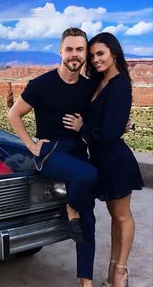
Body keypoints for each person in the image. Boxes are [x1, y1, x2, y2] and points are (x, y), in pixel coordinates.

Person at [8, 27, 99, 287]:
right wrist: (31, 144)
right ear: (60, 51)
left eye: (79, 49)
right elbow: (13, 115)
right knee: (90, 175)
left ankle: (86, 281)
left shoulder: (89, 87)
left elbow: (98, 119)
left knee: (88, 216)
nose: (74, 54)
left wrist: (86, 126)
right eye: (69, 49)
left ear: (85, 54)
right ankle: (70, 208)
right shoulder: (41, 84)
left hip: (77, 151)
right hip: (51, 151)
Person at [63, 32, 144, 287]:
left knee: (122, 217)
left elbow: (108, 133)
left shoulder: (119, 84)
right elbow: (110, 121)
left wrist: (82, 128)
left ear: (114, 53)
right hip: (101, 160)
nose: (96, 59)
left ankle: (120, 274)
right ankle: (112, 270)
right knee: (114, 217)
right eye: (93, 55)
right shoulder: (101, 82)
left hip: (116, 161)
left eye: (101, 54)